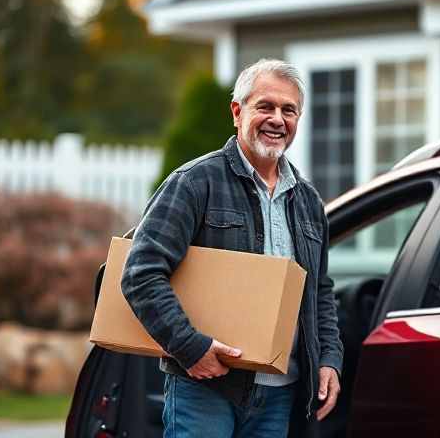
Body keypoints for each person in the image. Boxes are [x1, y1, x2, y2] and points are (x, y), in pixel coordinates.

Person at [121, 59, 343, 437]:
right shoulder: (194, 183)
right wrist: (191, 348)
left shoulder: (307, 201)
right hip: (205, 389)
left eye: (289, 110)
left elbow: (319, 291)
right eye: (265, 107)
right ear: (237, 112)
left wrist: (329, 359)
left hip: (281, 394)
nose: (278, 119)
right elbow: (140, 273)